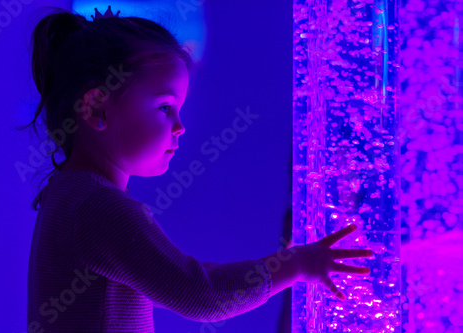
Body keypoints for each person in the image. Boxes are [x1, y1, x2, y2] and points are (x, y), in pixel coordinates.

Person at [20, 6, 374, 332]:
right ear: (98, 108)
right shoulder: (100, 208)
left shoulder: (68, 194)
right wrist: (296, 263)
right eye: (164, 108)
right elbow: (203, 294)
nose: (179, 126)